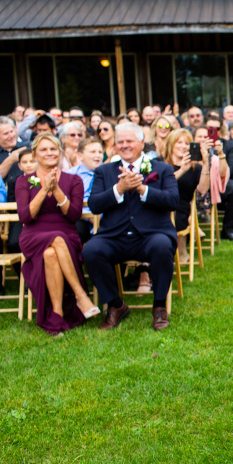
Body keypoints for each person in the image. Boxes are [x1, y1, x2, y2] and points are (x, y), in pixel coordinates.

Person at [82, 122, 179, 331]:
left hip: (151, 234)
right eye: (120, 142)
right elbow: (94, 204)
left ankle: (159, 306)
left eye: (129, 141)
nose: (124, 145)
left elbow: (173, 200)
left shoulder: (162, 168)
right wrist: (119, 188)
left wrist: (143, 189)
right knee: (91, 250)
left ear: (142, 143)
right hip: (114, 236)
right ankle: (116, 305)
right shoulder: (104, 171)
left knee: (162, 246)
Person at [16, 134, 100, 335]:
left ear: (60, 152)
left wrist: (57, 191)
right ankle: (81, 296)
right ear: (35, 154)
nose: (49, 153)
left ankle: (57, 313)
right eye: (44, 149)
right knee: (55, 238)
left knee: (51, 253)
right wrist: (44, 190)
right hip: (33, 236)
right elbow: (25, 217)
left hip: (67, 234)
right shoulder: (24, 181)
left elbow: (74, 215)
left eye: (53, 149)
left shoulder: (74, 180)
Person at [163, 129, 210, 263]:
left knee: (178, 210)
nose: (183, 146)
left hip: (182, 206)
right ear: (171, 144)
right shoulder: (160, 164)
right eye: (179, 142)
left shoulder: (195, 168)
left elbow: (203, 190)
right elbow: (160, 186)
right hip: (161, 202)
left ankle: (181, 250)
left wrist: (206, 164)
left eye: (187, 143)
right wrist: (182, 170)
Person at [65, 137, 103, 243]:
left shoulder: (109, 172)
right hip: (80, 219)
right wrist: (89, 215)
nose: (97, 155)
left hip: (105, 220)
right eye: (93, 152)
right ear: (80, 156)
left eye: (100, 152)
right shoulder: (71, 175)